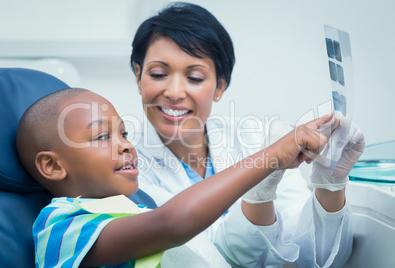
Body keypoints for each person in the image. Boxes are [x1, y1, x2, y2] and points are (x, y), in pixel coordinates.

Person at [130, 2, 365, 267]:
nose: (174, 92)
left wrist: (330, 183)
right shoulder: (124, 164)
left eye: (194, 77)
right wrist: (260, 186)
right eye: (158, 74)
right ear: (139, 77)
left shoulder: (254, 137)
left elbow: (317, 258)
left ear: (220, 86)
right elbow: (206, 257)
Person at [16, 87, 334, 267]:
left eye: (124, 133)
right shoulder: (61, 225)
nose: (126, 144)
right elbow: (175, 223)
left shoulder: (132, 210)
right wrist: (272, 156)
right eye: (103, 137)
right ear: (53, 166)